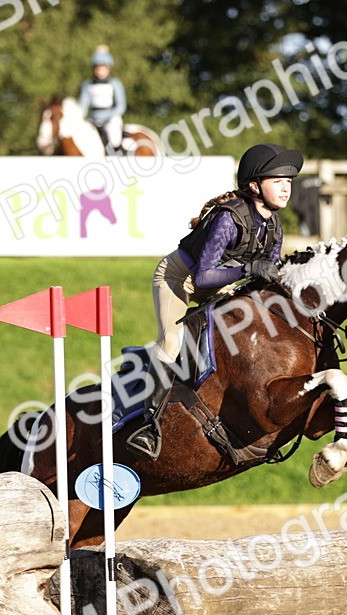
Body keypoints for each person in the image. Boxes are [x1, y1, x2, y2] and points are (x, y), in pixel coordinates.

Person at [125, 143, 302, 460]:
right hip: (180, 279)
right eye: (278, 181)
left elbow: (266, 278)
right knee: (171, 343)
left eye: (288, 182)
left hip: (222, 284)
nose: (286, 188)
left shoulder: (274, 225)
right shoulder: (228, 219)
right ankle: (148, 428)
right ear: (254, 186)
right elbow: (203, 277)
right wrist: (249, 268)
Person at [78, 45, 127, 156]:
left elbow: (121, 106)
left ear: (108, 68)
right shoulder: (88, 84)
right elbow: (83, 105)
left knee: (114, 137)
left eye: (103, 68)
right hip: (93, 118)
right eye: (98, 68)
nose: (100, 71)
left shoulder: (115, 83)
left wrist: (108, 116)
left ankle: (118, 157)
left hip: (111, 118)